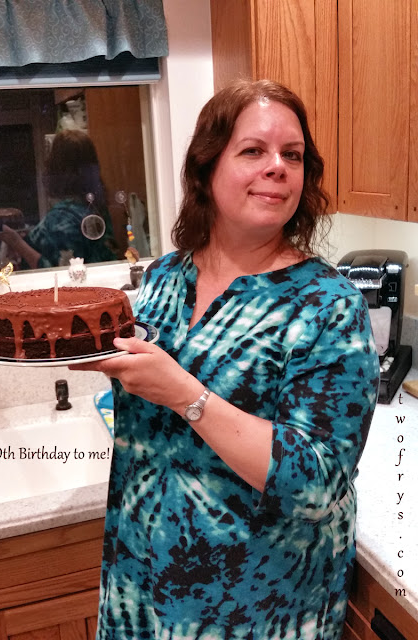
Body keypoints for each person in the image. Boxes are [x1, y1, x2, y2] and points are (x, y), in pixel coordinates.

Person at [71, 79, 380, 639]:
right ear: (206, 167)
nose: (278, 167)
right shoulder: (165, 278)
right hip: (141, 585)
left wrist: (186, 395)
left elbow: (318, 483)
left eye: (293, 155)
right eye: (254, 150)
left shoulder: (328, 305)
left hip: (254, 607)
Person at [0, 129, 117, 269]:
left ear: (56, 167)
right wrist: (33, 236)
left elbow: (59, 270)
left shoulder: (61, 217)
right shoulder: (96, 207)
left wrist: (16, 242)